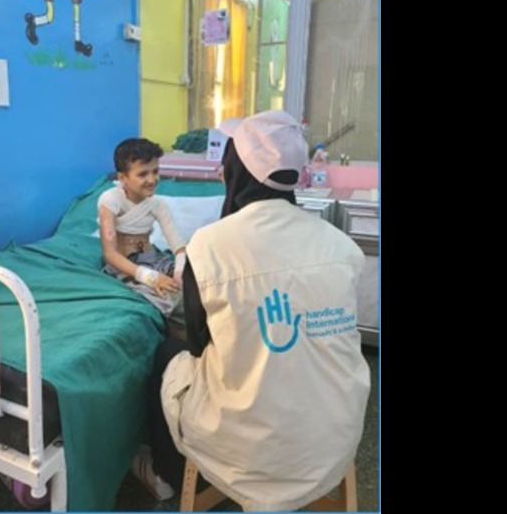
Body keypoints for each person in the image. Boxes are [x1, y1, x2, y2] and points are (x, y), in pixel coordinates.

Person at [142, 110, 372, 511]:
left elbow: (197, 344)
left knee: (167, 355)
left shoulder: (208, 247)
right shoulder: (341, 246)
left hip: (247, 455)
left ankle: (167, 474)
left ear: (234, 172)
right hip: (334, 440)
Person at [98, 138, 187, 318]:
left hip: (153, 258)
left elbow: (179, 247)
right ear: (122, 177)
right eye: (143, 174)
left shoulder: (158, 204)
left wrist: (179, 273)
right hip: (124, 266)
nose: (152, 179)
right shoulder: (111, 200)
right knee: (164, 296)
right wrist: (150, 278)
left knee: (195, 283)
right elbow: (110, 254)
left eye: (155, 171)